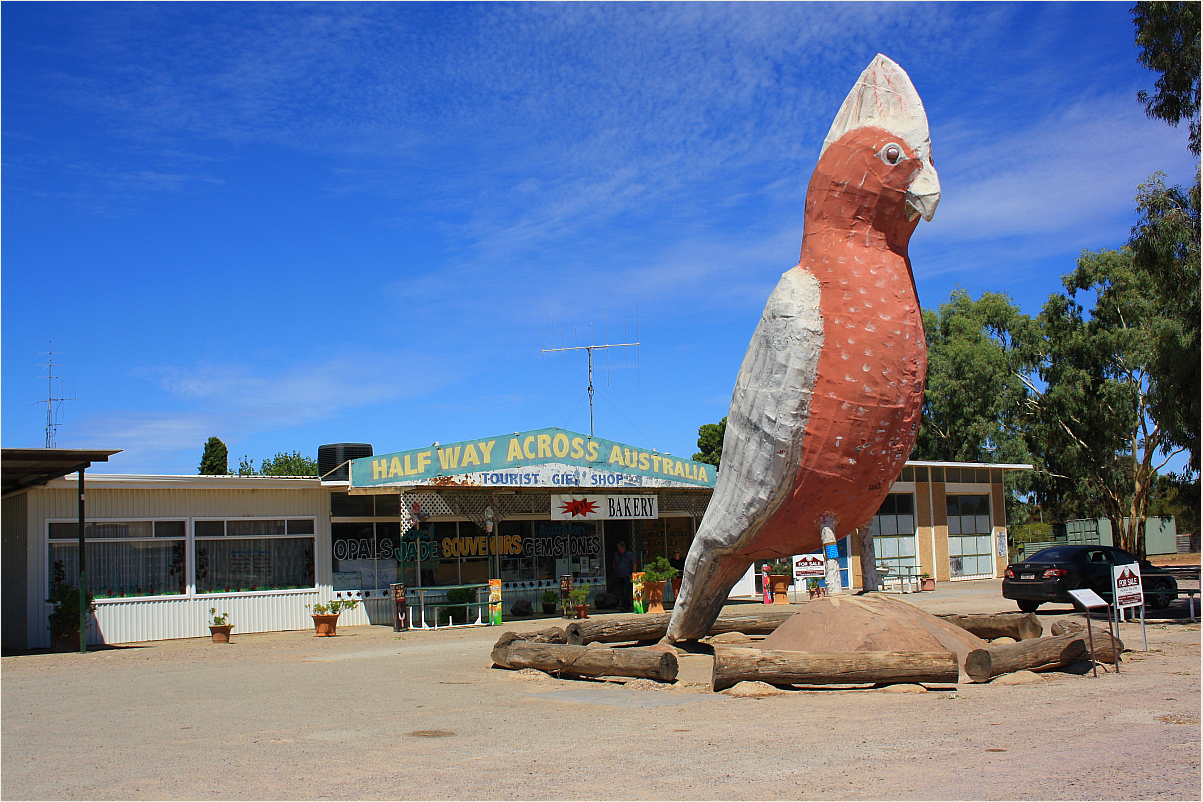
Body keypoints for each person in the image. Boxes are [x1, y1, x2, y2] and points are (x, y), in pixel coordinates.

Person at [614, 541, 637, 612]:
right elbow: (614, 563)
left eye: (620, 548)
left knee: (625, 591)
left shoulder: (629, 554)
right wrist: (615, 571)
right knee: (622, 591)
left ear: (623, 548)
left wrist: (633, 573)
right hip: (619, 575)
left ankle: (624, 606)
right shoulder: (616, 555)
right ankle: (628, 604)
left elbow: (634, 564)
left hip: (627, 575)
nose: (619, 549)